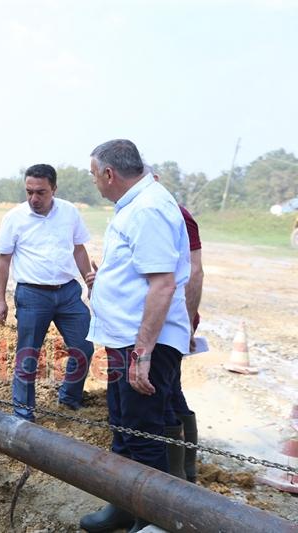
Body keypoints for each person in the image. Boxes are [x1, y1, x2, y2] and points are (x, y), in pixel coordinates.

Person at [80, 140, 191, 533]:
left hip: (143, 343)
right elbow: (139, 271)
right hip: (124, 339)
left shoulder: (148, 210)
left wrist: (142, 352)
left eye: (94, 176)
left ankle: (152, 522)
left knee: (143, 434)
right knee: (124, 427)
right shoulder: (135, 207)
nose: (95, 183)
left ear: (109, 174)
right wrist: (105, 279)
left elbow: (162, 285)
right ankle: (123, 506)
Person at [0, 164, 95, 423]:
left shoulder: (69, 212)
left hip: (68, 293)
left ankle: (69, 398)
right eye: (29, 192)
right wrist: (0, 300)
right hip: (32, 295)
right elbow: (4, 260)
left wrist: (89, 282)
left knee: (84, 347)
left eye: (41, 192)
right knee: (28, 356)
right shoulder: (14, 218)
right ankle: (23, 414)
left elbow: (79, 249)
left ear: (54, 189)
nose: (33, 199)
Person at [146, 165, 204, 483]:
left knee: (168, 393)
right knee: (170, 391)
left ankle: (180, 474)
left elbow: (195, 272)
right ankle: (183, 473)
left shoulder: (176, 214)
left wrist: (190, 323)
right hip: (164, 318)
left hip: (169, 321)